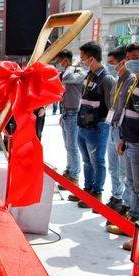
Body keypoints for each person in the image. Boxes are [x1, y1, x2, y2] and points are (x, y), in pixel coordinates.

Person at [68, 42, 115, 208]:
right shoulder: (89, 76)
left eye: (83, 59)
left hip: (97, 127)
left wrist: (103, 126)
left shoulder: (106, 79)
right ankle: (87, 189)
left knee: (97, 161)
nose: (81, 62)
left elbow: (112, 107)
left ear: (92, 58)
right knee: (86, 161)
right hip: (83, 125)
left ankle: (97, 193)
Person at [116, 43, 139, 251]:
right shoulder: (137, 79)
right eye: (128, 57)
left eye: (136, 57)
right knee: (133, 185)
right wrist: (123, 137)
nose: (130, 60)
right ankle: (135, 227)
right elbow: (127, 111)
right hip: (131, 139)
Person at [104, 47, 134, 228]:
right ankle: (116, 197)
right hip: (112, 127)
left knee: (125, 173)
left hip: (124, 131)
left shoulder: (132, 81)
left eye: (113, 63)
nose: (111, 67)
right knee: (113, 168)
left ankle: (127, 206)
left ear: (124, 62)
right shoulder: (116, 82)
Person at [55, 49, 87, 190]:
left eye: (61, 62)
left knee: (73, 147)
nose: (60, 65)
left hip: (75, 113)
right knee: (68, 146)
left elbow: (66, 78)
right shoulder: (68, 72)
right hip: (67, 112)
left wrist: (72, 66)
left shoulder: (80, 73)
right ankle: (69, 171)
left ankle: (74, 176)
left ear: (66, 60)